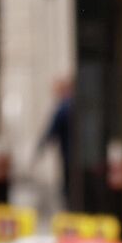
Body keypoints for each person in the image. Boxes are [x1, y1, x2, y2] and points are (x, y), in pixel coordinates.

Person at [37, 76, 76, 208]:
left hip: (69, 155)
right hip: (76, 156)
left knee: (69, 189)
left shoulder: (64, 107)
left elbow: (51, 130)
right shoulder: (76, 104)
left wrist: (40, 147)